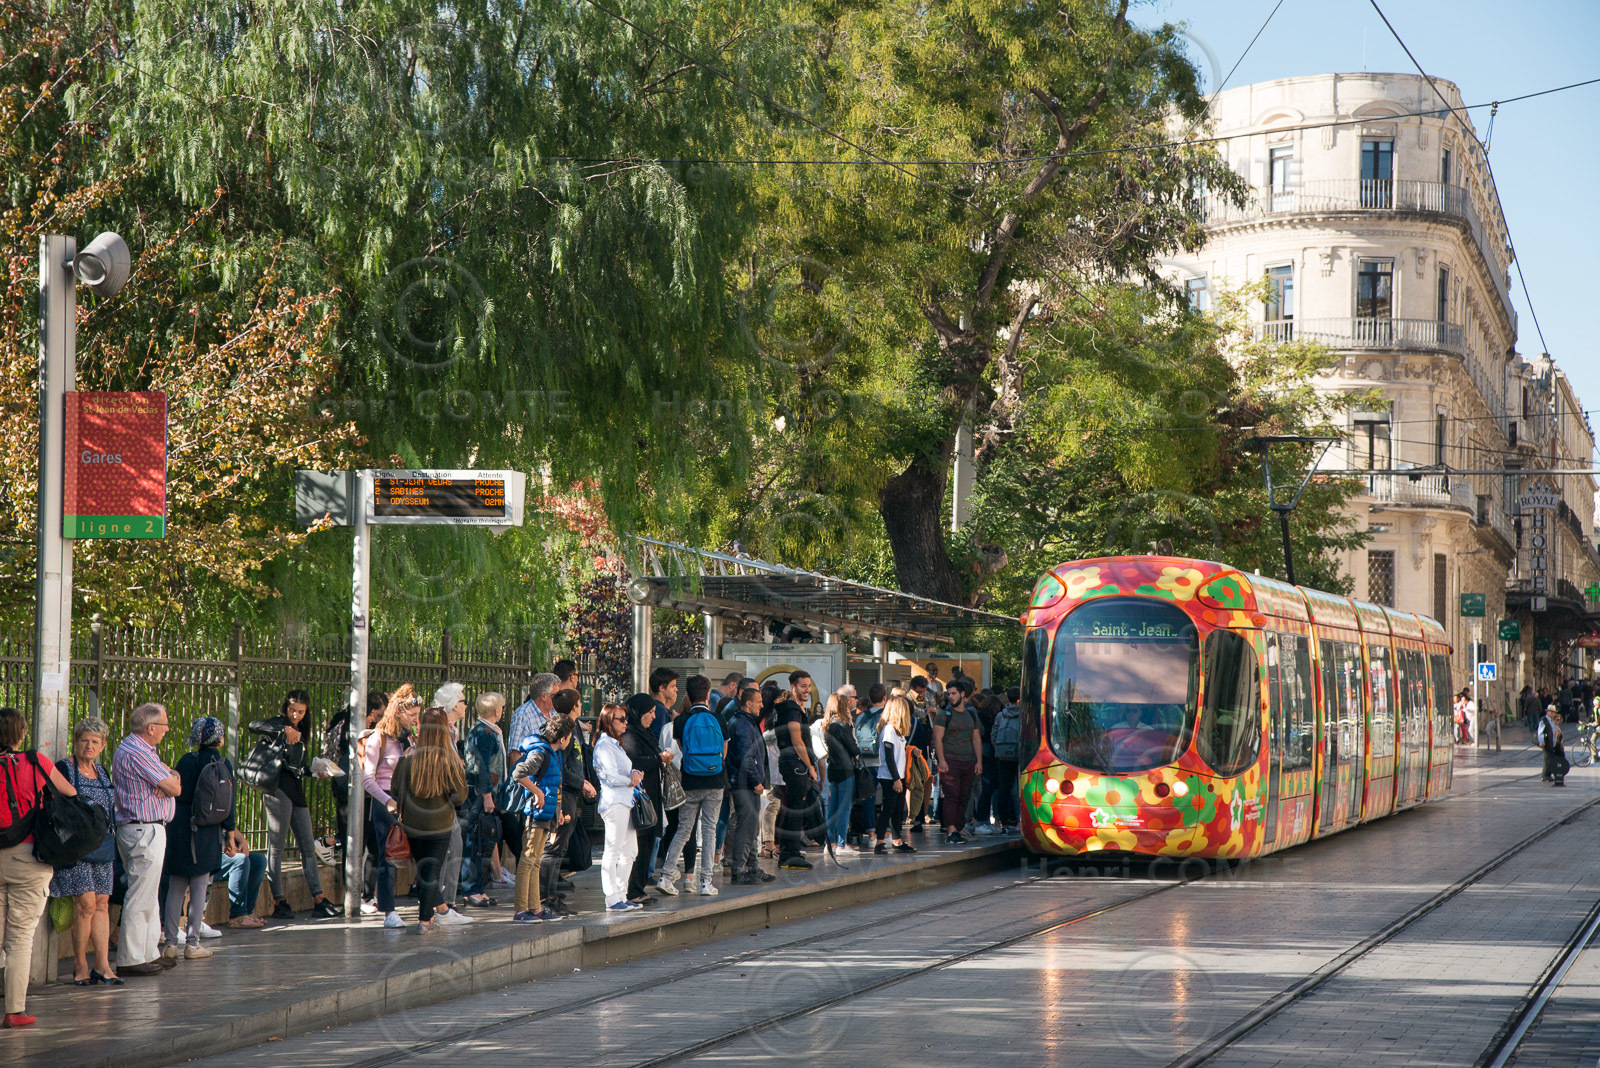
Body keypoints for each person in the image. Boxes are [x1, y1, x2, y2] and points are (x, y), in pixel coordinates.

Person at [0, 708, 78, 1022]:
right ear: (21, 733)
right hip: (28, 856)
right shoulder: (35, 763)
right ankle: (15, 1011)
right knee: (19, 937)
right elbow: (69, 792)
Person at [249, 690, 341, 919]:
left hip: (296, 791)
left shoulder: (303, 731)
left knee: (308, 846)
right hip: (277, 789)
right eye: (292, 710)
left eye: (300, 712)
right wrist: (283, 728)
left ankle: (318, 898)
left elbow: (297, 767)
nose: (295, 715)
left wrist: (316, 772)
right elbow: (253, 724)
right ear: (285, 707)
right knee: (277, 847)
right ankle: (279, 900)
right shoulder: (279, 725)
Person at [51, 717, 120, 985]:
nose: (88, 746)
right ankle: (80, 965)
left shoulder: (102, 772)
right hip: (76, 848)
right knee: (86, 905)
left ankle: (102, 965)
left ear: (102, 746)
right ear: (76, 742)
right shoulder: (65, 768)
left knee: (102, 903)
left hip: (102, 847)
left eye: (94, 742)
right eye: (84, 741)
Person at [163, 716, 238, 961]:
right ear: (220, 739)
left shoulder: (186, 761)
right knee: (199, 887)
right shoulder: (223, 764)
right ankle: (193, 944)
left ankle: (171, 944)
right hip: (208, 831)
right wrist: (230, 835)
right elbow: (229, 806)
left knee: (175, 887)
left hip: (179, 827)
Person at [113, 702, 180, 977]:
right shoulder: (137, 753)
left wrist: (169, 777)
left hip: (148, 829)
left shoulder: (142, 750)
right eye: (164, 726)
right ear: (151, 728)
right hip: (143, 830)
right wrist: (169, 779)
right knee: (141, 895)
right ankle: (131, 957)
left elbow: (172, 779)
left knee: (149, 896)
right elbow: (175, 786)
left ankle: (148, 952)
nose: (166, 731)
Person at [392, 708, 469, 931]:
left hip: (413, 824)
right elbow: (460, 796)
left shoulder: (408, 757)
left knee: (424, 871)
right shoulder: (449, 761)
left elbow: (395, 788)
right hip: (440, 823)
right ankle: (424, 920)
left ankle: (430, 917)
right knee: (431, 872)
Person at [658, 675, 727, 896]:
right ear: (708, 695)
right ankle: (706, 882)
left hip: (689, 781)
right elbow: (723, 754)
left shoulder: (681, 721)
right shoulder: (719, 719)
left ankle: (666, 875)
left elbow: (683, 749)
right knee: (709, 831)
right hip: (715, 781)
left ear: (687, 695)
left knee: (683, 830)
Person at [363, 686, 420, 928]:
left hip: (407, 799)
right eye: (412, 715)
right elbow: (367, 779)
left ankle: (438, 906)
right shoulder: (378, 738)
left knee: (421, 852)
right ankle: (388, 911)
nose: (416, 719)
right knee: (389, 856)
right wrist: (387, 800)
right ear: (397, 713)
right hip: (385, 801)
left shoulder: (406, 737)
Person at [510, 712, 573, 922]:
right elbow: (518, 773)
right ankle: (521, 910)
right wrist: (537, 793)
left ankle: (535, 908)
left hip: (545, 814)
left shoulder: (551, 753)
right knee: (528, 861)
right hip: (535, 814)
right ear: (562, 738)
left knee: (535, 861)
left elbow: (553, 784)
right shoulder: (542, 752)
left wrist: (558, 812)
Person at [540, 691, 592, 915]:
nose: (581, 707)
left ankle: (551, 897)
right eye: (579, 703)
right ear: (573, 706)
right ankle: (545, 898)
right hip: (563, 795)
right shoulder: (563, 731)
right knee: (553, 850)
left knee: (559, 851)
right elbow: (561, 768)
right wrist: (582, 784)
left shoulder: (573, 728)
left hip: (569, 794)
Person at [593, 704, 644, 910]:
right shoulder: (604, 746)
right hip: (614, 802)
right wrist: (631, 779)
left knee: (630, 850)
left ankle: (621, 894)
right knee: (612, 849)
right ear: (608, 722)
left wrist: (635, 775)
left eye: (625, 718)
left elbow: (623, 772)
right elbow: (612, 777)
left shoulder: (615, 745)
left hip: (625, 800)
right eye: (620, 719)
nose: (625, 723)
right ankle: (612, 897)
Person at [620, 694, 670, 905]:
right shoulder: (631, 735)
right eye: (648, 712)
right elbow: (634, 761)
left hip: (650, 795)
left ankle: (638, 887)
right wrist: (659, 759)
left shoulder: (645, 734)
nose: (653, 716)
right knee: (639, 844)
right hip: (639, 797)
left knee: (648, 841)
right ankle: (632, 889)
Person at [462, 691, 507, 908]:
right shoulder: (486, 732)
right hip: (480, 795)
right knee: (475, 841)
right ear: (496, 710)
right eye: (501, 707)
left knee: (480, 842)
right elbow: (481, 766)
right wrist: (488, 795)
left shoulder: (485, 730)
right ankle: (471, 889)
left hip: (482, 792)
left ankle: (477, 888)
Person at [727, 686, 774, 885]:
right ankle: (738, 871)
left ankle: (752, 867)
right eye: (759, 701)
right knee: (745, 828)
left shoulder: (747, 722)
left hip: (747, 783)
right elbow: (746, 757)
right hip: (745, 784)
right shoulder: (742, 725)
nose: (762, 705)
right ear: (748, 703)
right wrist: (756, 781)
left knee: (752, 828)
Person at [773, 670, 820, 870]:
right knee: (795, 809)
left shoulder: (794, 709)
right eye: (803, 686)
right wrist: (810, 766)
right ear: (793, 687)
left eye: (809, 686)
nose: (807, 690)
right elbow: (796, 739)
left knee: (793, 808)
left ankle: (789, 851)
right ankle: (790, 853)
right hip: (795, 764)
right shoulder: (791, 709)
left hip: (793, 763)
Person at [933, 681, 983, 845]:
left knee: (964, 796)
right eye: (948, 693)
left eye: (953, 693)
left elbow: (976, 738)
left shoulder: (971, 714)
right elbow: (937, 740)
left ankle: (958, 827)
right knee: (951, 796)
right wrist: (941, 761)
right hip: (950, 761)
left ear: (962, 694)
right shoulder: (944, 715)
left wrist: (979, 761)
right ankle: (951, 830)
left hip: (968, 762)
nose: (950, 696)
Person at [873, 697, 916, 855]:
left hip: (899, 775)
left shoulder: (897, 731)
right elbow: (889, 757)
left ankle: (897, 839)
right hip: (890, 776)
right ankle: (880, 841)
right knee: (888, 809)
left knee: (898, 809)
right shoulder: (889, 730)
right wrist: (896, 779)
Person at [822, 693, 861, 854]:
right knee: (844, 808)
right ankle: (841, 844)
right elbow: (854, 748)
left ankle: (829, 843)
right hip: (846, 770)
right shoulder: (842, 725)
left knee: (832, 808)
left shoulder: (829, 725)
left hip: (833, 769)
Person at [853, 684, 885, 842]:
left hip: (865, 762)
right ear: (884, 698)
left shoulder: (860, 717)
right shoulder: (886, 716)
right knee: (886, 799)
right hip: (882, 762)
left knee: (868, 797)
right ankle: (885, 832)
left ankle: (871, 832)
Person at [990, 688, 1023, 833]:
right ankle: (1020, 820)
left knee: (1003, 788)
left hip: (1003, 756)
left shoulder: (1000, 715)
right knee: (1019, 789)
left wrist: (999, 749)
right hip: (1019, 756)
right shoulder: (1023, 714)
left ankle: (1003, 822)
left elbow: (994, 735)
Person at [508, 673, 559, 765]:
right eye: (555, 696)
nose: (558, 699)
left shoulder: (554, 713)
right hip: (533, 775)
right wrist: (525, 778)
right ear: (544, 696)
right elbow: (515, 754)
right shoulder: (523, 714)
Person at [1538, 704, 1567, 786]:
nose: (1552, 713)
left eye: (1553, 712)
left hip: (1553, 743)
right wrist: (1542, 742)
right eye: (1551, 712)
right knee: (1548, 759)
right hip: (1546, 743)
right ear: (1547, 712)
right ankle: (1545, 776)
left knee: (1553, 758)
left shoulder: (1551, 720)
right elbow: (1540, 732)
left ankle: (1552, 774)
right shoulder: (1544, 720)